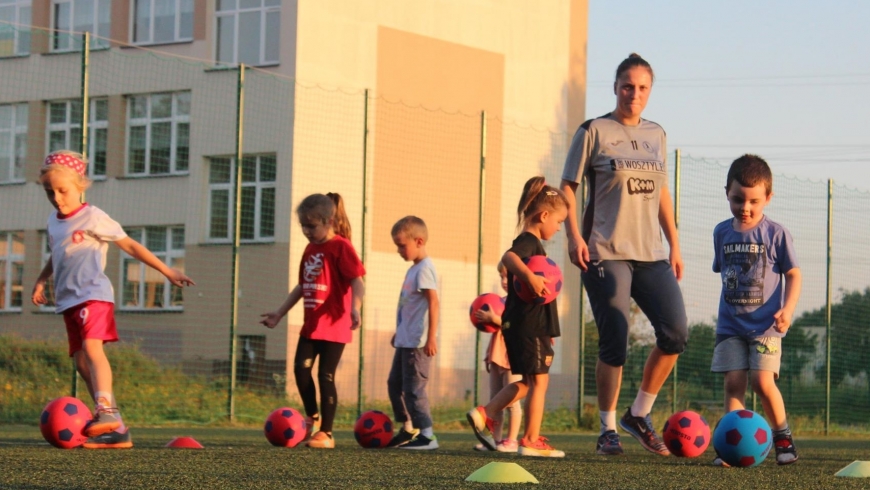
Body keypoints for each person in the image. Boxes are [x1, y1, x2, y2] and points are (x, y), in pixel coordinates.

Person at [560, 53, 688, 456]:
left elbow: (662, 192)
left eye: (643, 87)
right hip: (604, 251)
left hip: (650, 253)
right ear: (615, 87)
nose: (635, 93)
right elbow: (567, 188)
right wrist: (574, 237)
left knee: (676, 333)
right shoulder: (594, 130)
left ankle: (639, 413)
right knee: (614, 338)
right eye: (627, 85)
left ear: (651, 91)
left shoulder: (657, 135)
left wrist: (675, 242)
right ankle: (607, 428)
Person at [31, 150, 195, 449]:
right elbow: (57, 255)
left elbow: (130, 246)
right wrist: (42, 279)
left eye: (62, 190)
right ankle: (117, 429)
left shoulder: (93, 216)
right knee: (81, 362)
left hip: (93, 295)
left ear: (80, 185)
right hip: (68, 301)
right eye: (49, 191)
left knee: (92, 349)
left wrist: (167, 270)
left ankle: (105, 411)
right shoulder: (53, 222)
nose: (56, 197)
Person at [467, 176, 568, 458]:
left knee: (526, 382)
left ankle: (485, 412)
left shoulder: (533, 245)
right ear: (544, 215)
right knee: (540, 382)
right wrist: (530, 278)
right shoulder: (527, 242)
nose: (559, 228)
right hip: (528, 324)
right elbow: (509, 257)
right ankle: (531, 439)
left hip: (523, 324)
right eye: (558, 222)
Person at [711, 154, 801, 466]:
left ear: (768, 198)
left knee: (763, 383)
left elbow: (794, 274)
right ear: (727, 193)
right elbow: (725, 274)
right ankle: (731, 445)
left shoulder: (776, 234)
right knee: (733, 383)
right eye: (737, 199)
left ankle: (783, 436)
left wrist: (787, 309)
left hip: (766, 327)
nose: (745, 208)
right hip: (730, 326)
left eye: (753, 201)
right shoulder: (721, 232)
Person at [260, 193, 366, 449]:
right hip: (311, 325)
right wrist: (279, 312)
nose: (307, 231)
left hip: (334, 326)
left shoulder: (341, 247)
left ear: (328, 222)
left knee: (325, 376)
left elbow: (357, 280)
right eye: (303, 226)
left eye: (311, 226)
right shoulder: (310, 249)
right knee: (300, 370)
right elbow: (302, 285)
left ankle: (327, 434)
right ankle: (313, 418)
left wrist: (355, 308)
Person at [385, 216, 441, 450]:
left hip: (418, 343)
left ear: (418, 241)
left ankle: (427, 436)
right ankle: (408, 428)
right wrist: (398, 333)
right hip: (405, 340)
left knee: (414, 389)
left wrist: (431, 338)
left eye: (401, 245)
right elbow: (407, 307)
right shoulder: (413, 270)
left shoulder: (425, 269)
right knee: (394, 384)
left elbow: (434, 303)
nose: (399, 250)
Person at [472, 261, 522, 453]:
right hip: (496, 357)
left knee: (512, 402)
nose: (504, 281)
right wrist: (488, 356)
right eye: (501, 277)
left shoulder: (520, 303)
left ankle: (511, 440)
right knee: (495, 401)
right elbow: (495, 334)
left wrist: (494, 319)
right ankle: (495, 439)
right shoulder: (498, 302)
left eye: (507, 276)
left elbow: (514, 327)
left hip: (512, 358)